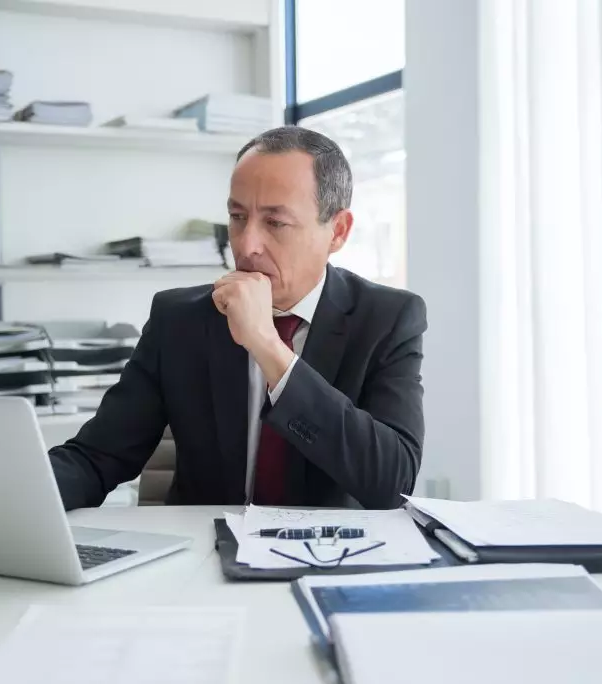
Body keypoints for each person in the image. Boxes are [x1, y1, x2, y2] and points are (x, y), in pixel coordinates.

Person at [49, 126, 427, 510]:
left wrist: (267, 346)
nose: (247, 245)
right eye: (237, 216)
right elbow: (97, 458)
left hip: (329, 557)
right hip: (203, 555)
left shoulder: (387, 319)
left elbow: (391, 483)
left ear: (338, 231)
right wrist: (9, 495)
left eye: (275, 223)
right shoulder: (179, 320)